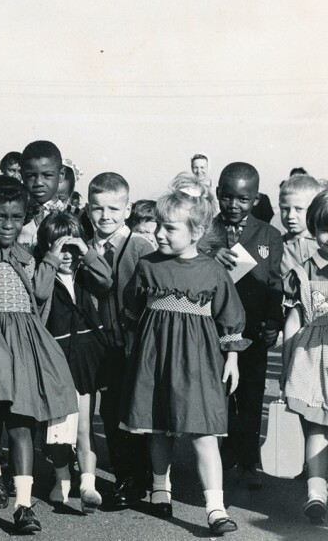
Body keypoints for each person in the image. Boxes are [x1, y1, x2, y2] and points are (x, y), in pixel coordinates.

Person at [122, 188, 247, 535]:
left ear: (195, 232)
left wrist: (232, 357)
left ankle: (215, 508)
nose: (160, 233)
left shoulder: (212, 271)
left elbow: (230, 315)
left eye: (170, 228)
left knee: (203, 432)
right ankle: (161, 488)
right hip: (154, 358)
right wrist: (136, 345)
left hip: (197, 361)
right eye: (158, 225)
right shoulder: (147, 266)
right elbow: (131, 306)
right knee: (159, 427)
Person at [0, 175, 78, 534]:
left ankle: (23, 504)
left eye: (16, 217)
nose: (8, 224)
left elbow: (41, 296)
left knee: (22, 423)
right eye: (0, 216)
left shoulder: (27, 256)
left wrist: (49, 259)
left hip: (26, 345)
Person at [198, 162, 283, 490]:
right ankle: (223, 453)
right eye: (227, 197)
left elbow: (275, 282)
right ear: (218, 193)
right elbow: (188, 254)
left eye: (243, 199)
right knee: (217, 392)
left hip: (253, 330)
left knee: (250, 393)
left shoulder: (268, 235)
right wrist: (210, 250)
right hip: (211, 327)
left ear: (256, 198)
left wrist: (273, 321)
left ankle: (248, 461)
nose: (233, 205)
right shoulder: (204, 229)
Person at [35, 212, 112, 514]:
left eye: (71, 248)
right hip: (55, 361)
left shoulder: (84, 274)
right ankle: (61, 480)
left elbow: (106, 280)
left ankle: (88, 485)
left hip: (84, 359)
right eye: (59, 247)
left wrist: (86, 249)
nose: (67, 254)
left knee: (84, 427)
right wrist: (50, 260)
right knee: (57, 429)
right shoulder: (44, 273)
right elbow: (40, 293)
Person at [86, 172, 154, 509]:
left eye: (114, 208)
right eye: (97, 208)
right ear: (88, 209)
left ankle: (136, 479)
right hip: (99, 343)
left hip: (133, 345)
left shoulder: (141, 247)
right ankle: (121, 474)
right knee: (109, 412)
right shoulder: (84, 244)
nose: (105, 216)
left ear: (127, 209)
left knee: (133, 411)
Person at [281, 189, 328, 524]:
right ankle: (316, 491)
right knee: (315, 426)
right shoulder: (304, 271)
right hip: (313, 359)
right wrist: (286, 366)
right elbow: (294, 320)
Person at [18, 141, 68, 247]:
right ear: (21, 175)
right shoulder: (15, 214)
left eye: (47, 175)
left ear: (61, 174)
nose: (38, 183)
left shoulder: (73, 216)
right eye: (31, 175)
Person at [279, 175, 322, 276]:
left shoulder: (324, 243)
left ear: (314, 209)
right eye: (285, 209)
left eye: (299, 209)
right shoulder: (276, 246)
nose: (290, 216)